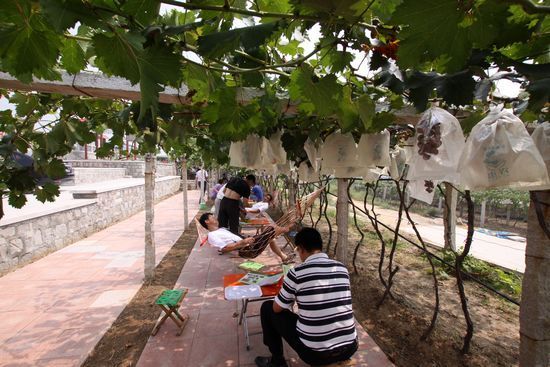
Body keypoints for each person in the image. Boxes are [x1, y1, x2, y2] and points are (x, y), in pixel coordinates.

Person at [255, 227, 358, 367]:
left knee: (267, 308)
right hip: (350, 347)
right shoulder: (342, 269)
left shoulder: (297, 273)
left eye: (298, 251)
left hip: (315, 355)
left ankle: (277, 361)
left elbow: (277, 308)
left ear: (301, 249)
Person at [198, 212, 293, 263]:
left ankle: (283, 257)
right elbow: (224, 248)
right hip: (246, 249)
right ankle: (286, 229)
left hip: (247, 244)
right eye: (212, 217)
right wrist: (242, 242)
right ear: (207, 221)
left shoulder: (221, 229)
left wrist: (245, 239)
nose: (215, 217)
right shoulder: (212, 235)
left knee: (269, 237)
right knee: (271, 229)